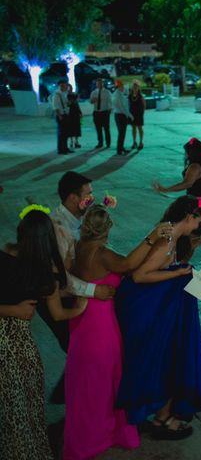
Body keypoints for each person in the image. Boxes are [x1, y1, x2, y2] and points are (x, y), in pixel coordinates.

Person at [116, 196, 201, 439]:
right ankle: (162, 418)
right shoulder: (166, 241)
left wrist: (199, 243)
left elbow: (175, 262)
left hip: (161, 310)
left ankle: (162, 414)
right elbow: (139, 276)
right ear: (190, 216)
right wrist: (179, 273)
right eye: (198, 221)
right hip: (148, 312)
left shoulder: (175, 238)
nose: (198, 225)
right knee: (164, 362)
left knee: (167, 361)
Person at [65, 205, 156, 459]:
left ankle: (84, 434)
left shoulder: (78, 247)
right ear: (108, 228)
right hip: (101, 326)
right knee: (103, 382)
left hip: (80, 322)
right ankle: (98, 436)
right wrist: (153, 236)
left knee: (84, 383)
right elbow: (128, 264)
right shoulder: (104, 255)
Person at [0, 206, 75, 460]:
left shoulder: (7, 258)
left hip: (17, 346)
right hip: (13, 346)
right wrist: (15, 310)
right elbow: (57, 311)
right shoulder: (42, 274)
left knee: (21, 403)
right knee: (20, 405)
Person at [39, 172, 117, 404]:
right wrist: (95, 291)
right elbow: (62, 276)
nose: (91, 198)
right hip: (55, 296)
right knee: (77, 348)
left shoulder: (76, 219)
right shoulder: (58, 226)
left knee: (80, 348)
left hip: (70, 292)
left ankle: (69, 393)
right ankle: (75, 397)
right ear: (73, 198)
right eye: (88, 194)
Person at [154, 138, 201, 288]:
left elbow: (187, 183)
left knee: (189, 238)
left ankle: (180, 267)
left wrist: (166, 189)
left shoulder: (195, 166)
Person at [112, 80, 134, 155]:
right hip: (120, 115)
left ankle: (121, 148)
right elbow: (122, 107)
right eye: (122, 86)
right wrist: (129, 115)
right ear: (119, 86)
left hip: (118, 115)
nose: (123, 87)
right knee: (122, 133)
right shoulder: (118, 95)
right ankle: (119, 149)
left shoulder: (118, 94)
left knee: (121, 133)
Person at [90, 78, 112, 149]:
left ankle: (108, 142)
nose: (99, 85)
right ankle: (100, 142)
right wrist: (93, 100)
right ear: (96, 84)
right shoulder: (93, 92)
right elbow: (91, 101)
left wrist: (109, 110)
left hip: (104, 112)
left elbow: (110, 101)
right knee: (98, 128)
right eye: (98, 83)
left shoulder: (107, 92)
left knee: (106, 128)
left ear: (103, 84)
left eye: (101, 83)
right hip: (96, 112)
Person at [52, 79, 72, 154]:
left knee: (66, 133)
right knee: (61, 133)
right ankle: (61, 149)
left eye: (64, 85)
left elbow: (68, 103)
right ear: (59, 86)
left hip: (66, 114)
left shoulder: (65, 93)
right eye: (62, 85)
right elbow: (55, 106)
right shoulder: (56, 94)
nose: (64, 87)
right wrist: (59, 115)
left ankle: (65, 148)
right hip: (61, 115)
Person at [128, 80, 146, 150]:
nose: (135, 88)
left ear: (138, 88)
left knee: (140, 128)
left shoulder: (141, 96)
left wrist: (142, 113)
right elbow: (128, 104)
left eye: (136, 87)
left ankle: (141, 142)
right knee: (133, 128)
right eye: (134, 87)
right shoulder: (130, 95)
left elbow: (144, 105)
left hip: (139, 114)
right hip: (132, 114)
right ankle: (134, 141)